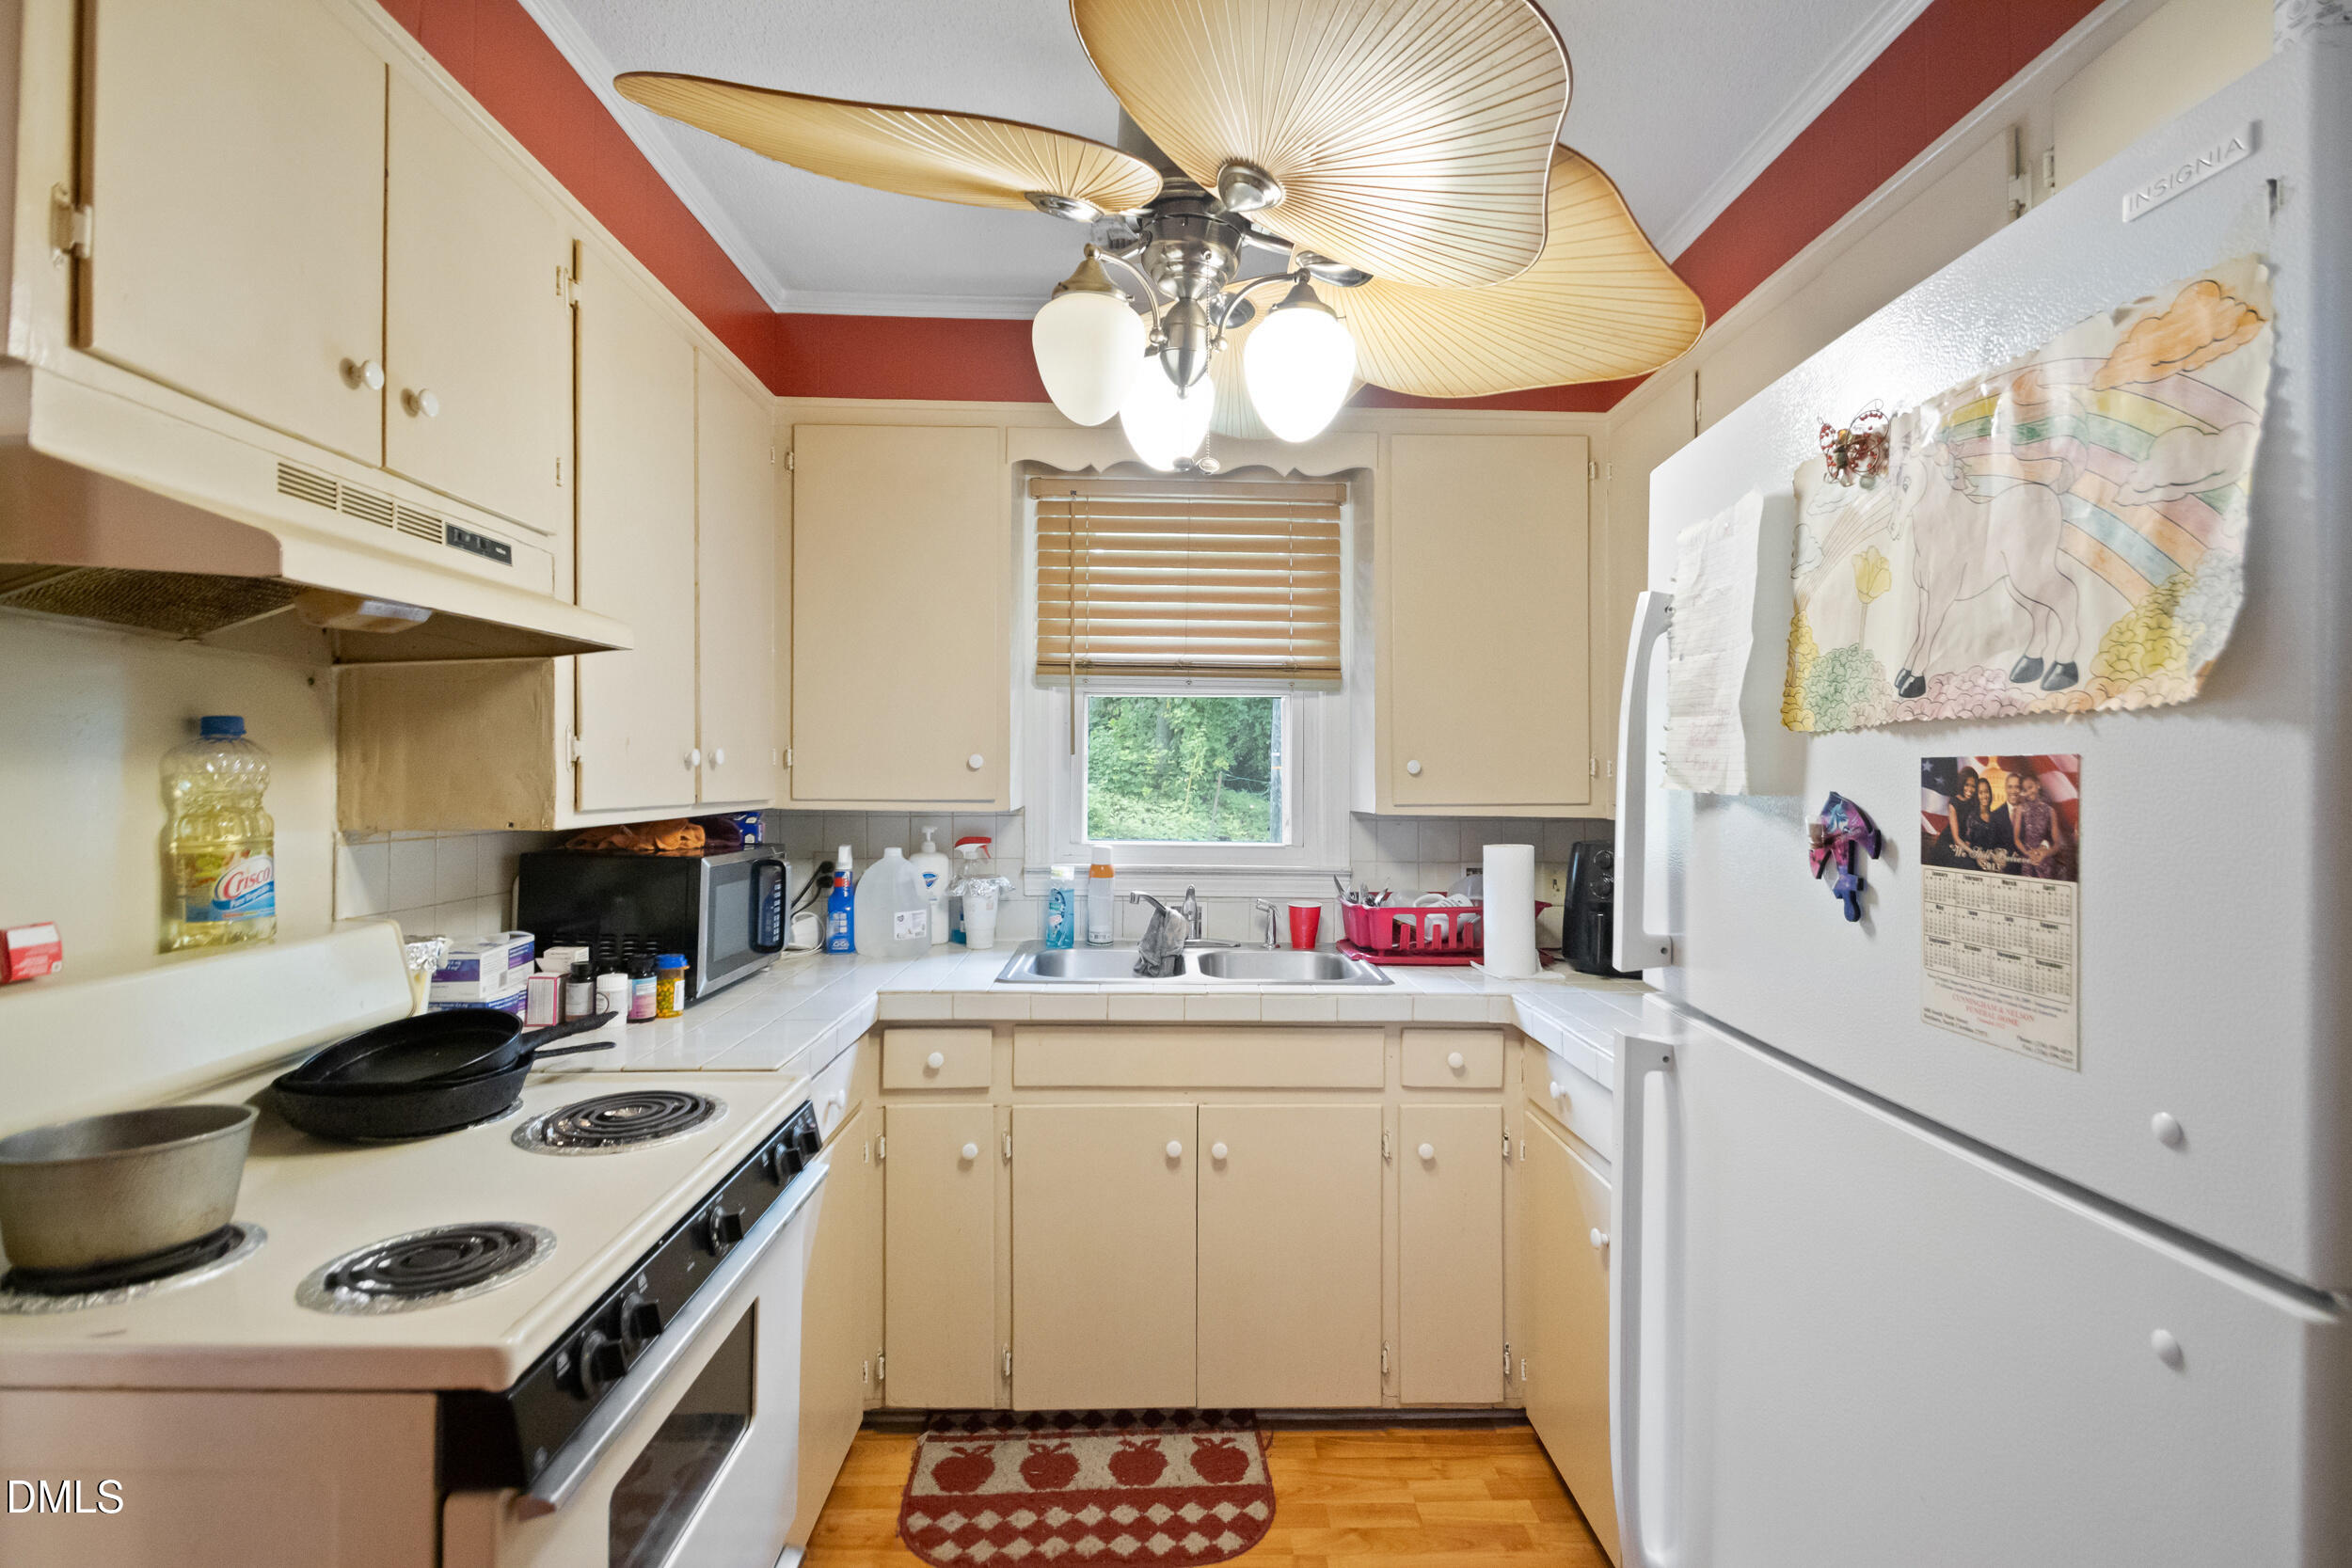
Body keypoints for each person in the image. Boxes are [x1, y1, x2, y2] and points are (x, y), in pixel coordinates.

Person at [2010, 771, 2069, 879]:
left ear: (2038, 785)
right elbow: (2016, 839)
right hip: (2027, 859)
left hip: (2045, 862)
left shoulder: (2050, 811)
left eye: (2030, 787)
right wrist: (2028, 853)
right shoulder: (2020, 809)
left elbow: (2057, 844)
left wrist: (2045, 854)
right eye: (2025, 790)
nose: (2028, 792)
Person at [1965, 766, 2014, 872]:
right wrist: (1976, 856)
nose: (1984, 796)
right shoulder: (1972, 818)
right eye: (1981, 793)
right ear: (1976, 796)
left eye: (1986, 792)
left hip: (1995, 866)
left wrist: (2001, 855)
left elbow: (2003, 843)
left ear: (1990, 793)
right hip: (1976, 866)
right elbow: (1966, 845)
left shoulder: (1997, 817)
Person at [1930, 770, 1981, 868]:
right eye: (1967, 785)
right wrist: (1975, 854)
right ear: (1962, 784)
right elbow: (1956, 839)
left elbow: (1973, 830)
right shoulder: (1954, 802)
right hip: (1949, 843)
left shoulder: (1975, 803)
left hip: (1965, 844)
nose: (1970, 789)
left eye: (1973, 786)